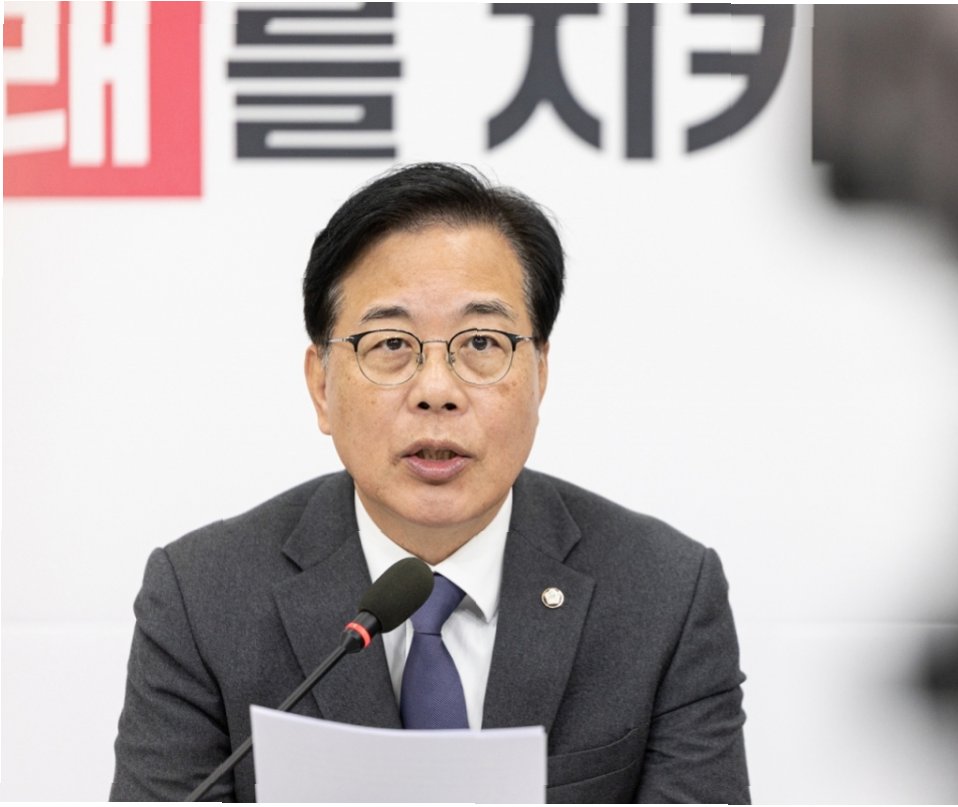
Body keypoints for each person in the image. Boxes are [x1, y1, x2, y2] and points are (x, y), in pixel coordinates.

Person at [109, 162, 750, 803]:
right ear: (322, 386)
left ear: (540, 373)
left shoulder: (663, 595)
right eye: (391, 344)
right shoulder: (202, 598)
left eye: (482, 342)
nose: (437, 390)